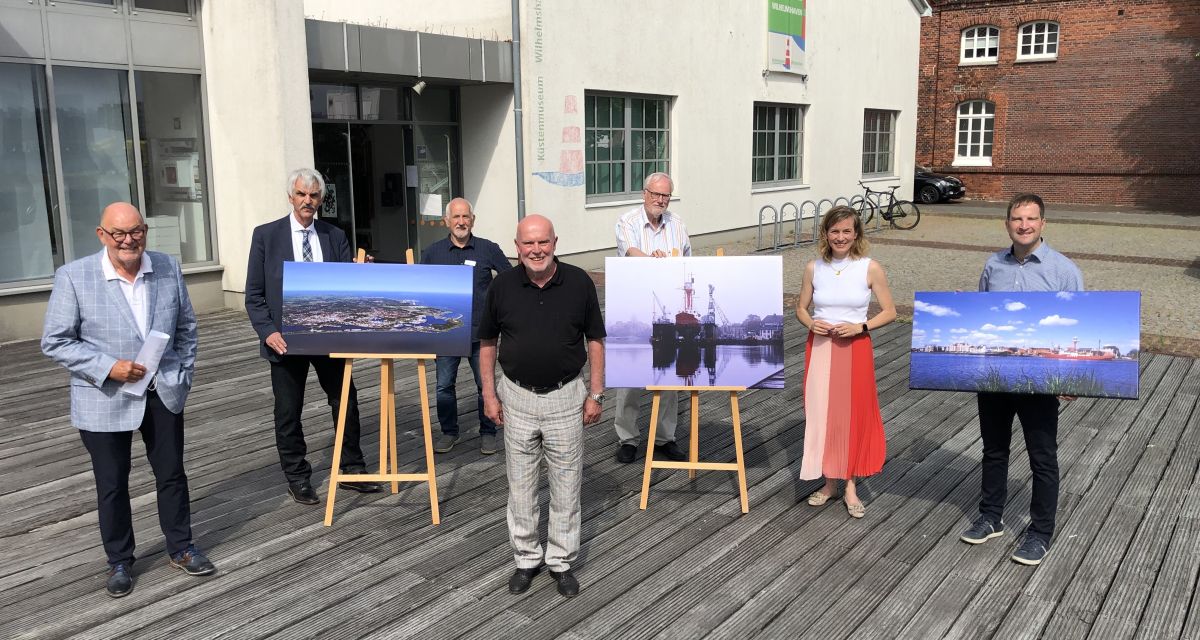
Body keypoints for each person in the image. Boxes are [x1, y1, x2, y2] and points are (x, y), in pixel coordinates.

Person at [42, 202, 215, 597]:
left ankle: (182, 547)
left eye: (136, 231)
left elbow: (187, 326)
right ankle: (119, 561)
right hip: (104, 396)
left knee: (172, 474)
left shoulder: (166, 267)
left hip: (162, 390)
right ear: (102, 235)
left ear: (145, 231)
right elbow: (55, 341)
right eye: (118, 233)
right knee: (112, 484)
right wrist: (108, 367)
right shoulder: (74, 276)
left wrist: (182, 375)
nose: (128, 240)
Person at [479, 214, 606, 599]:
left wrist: (595, 393)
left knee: (567, 485)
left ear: (555, 242)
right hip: (516, 396)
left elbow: (596, 340)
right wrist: (489, 393)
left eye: (543, 242)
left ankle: (561, 561)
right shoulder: (501, 286)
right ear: (516, 247)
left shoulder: (580, 282)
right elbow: (487, 343)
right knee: (520, 486)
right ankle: (526, 558)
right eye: (528, 243)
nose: (536, 250)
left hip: (567, 396)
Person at [245, 168, 382, 505]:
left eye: (314, 195)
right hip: (285, 340)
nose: (308, 201)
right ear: (290, 197)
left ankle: (351, 469)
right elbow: (254, 294)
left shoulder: (335, 236)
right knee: (289, 411)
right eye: (301, 194)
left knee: (346, 400)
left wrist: (360, 275)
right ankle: (297, 477)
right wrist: (268, 332)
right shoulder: (266, 236)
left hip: (329, 337)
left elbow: (345, 288)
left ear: (322, 199)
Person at [960, 193, 1083, 566]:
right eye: (1017, 219)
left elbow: (1078, 322)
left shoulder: (1064, 271)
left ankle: (1040, 532)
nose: (1024, 225)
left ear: (1043, 223)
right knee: (993, 449)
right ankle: (991, 517)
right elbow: (980, 315)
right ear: (1007, 223)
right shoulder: (993, 265)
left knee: (1042, 457)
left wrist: (1070, 378)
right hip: (996, 376)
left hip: (1040, 380)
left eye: (1031, 219)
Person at [794, 205, 896, 519]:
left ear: (856, 234)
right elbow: (800, 308)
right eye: (835, 231)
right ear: (826, 234)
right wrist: (812, 324)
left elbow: (890, 311)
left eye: (846, 231)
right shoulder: (814, 267)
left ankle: (850, 484)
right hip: (821, 347)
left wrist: (860, 326)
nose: (840, 237)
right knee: (822, 413)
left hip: (855, 348)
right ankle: (829, 483)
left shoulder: (869, 267)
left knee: (852, 415)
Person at [421, 197, 512, 454]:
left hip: (480, 332)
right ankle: (449, 431)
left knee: (485, 384)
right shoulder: (432, 253)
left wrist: (495, 306)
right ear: (446, 222)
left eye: (466, 217)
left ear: (473, 220)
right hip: (445, 333)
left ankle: (488, 431)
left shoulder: (488, 249)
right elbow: (421, 289)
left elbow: (510, 279)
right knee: (444, 386)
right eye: (456, 217)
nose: (461, 222)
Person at [612, 172, 691, 464]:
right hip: (635, 306)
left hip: (669, 308)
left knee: (670, 375)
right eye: (656, 194)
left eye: (666, 195)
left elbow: (687, 262)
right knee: (630, 376)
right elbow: (631, 252)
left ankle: (664, 438)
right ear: (644, 193)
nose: (660, 200)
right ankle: (628, 438)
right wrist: (654, 261)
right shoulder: (628, 221)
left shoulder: (678, 225)